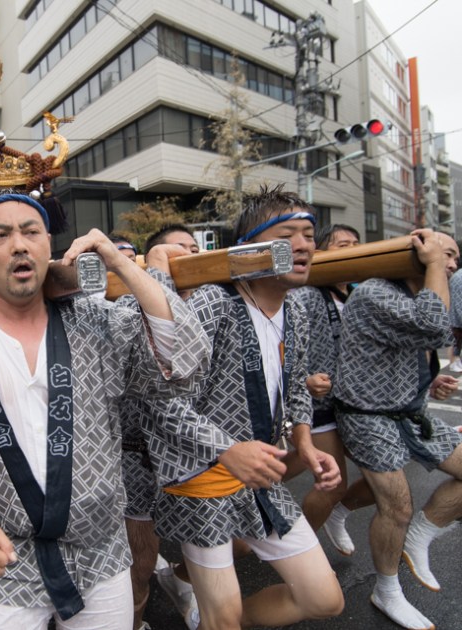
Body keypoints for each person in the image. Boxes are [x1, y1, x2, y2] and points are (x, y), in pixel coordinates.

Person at [0, 189, 209, 629]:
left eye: (31, 232)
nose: (19, 245)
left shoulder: (95, 319)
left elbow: (184, 360)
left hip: (98, 550)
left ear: (50, 242)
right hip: (3, 551)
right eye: (0, 235)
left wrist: (121, 263)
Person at [148, 185, 344, 630]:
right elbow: (159, 404)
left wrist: (305, 444)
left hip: (257, 474)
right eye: (288, 234)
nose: (303, 245)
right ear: (249, 248)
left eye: (310, 235)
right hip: (202, 476)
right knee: (225, 616)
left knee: (323, 598)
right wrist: (227, 450)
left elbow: (295, 389)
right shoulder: (213, 303)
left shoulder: (297, 309)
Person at [334, 229, 462, 630]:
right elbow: (434, 328)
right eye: (444, 254)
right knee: (396, 505)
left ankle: (419, 535)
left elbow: (418, 346)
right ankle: (386, 590)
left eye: (455, 257)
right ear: (417, 254)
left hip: (408, 411)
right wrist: (434, 265)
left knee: (405, 506)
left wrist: (429, 381)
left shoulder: (421, 290)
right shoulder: (375, 292)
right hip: (365, 414)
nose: (451, 263)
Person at [116, 225, 201, 630]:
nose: (186, 255)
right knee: (140, 561)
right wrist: (156, 273)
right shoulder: (120, 310)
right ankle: (133, 619)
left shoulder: (213, 300)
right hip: (132, 455)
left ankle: (179, 579)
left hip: (195, 453)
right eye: (175, 250)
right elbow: (168, 357)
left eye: (194, 249)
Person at [285, 224, 360, 537]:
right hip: (316, 405)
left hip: (353, 403)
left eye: (357, 243)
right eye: (344, 244)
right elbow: (279, 350)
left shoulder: (360, 295)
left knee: (386, 468)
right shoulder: (305, 295)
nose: (353, 249)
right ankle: (296, 546)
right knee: (333, 484)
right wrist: (304, 381)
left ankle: (334, 515)